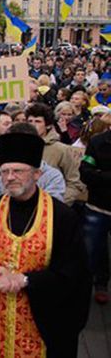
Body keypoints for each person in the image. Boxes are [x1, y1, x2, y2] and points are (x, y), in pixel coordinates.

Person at [0, 131, 92, 358]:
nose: (10, 177)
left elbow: (75, 274)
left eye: (18, 171)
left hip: (40, 324)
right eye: (5, 171)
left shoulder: (62, 217)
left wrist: (26, 280)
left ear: (37, 174)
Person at [25, 102, 85, 205]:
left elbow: (74, 183)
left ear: (48, 125)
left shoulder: (62, 150)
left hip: (50, 207)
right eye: (30, 121)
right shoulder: (20, 146)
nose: (33, 125)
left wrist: (56, 204)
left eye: (38, 121)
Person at [79, 121, 111, 304]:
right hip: (98, 207)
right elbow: (85, 172)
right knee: (92, 252)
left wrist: (102, 175)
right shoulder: (97, 142)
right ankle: (97, 285)